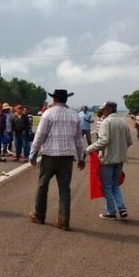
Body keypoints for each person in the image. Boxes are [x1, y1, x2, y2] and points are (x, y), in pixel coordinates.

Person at [28, 89, 85, 231]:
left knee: (42, 185)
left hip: (50, 155)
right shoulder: (74, 115)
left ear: (54, 99)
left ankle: (39, 215)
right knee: (65, 189)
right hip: (67, 157)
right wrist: (81, 157)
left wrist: (33, 152)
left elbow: (40, 135)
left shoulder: (48, 113)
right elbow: (78, 140)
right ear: (66, 99)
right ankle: (64, 221)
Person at [86, 101, 133, 219]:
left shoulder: (106, 122)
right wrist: (119, 149)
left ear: (109, 109)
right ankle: (121, 208)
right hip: (120, 158)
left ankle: (111, 212)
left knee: (106, 186)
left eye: (104, 109)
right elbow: (129, 141)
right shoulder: (123, 122)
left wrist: (88, 149)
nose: (102, 111)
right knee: (115, 185)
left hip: (107, 159)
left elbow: (103, 141)